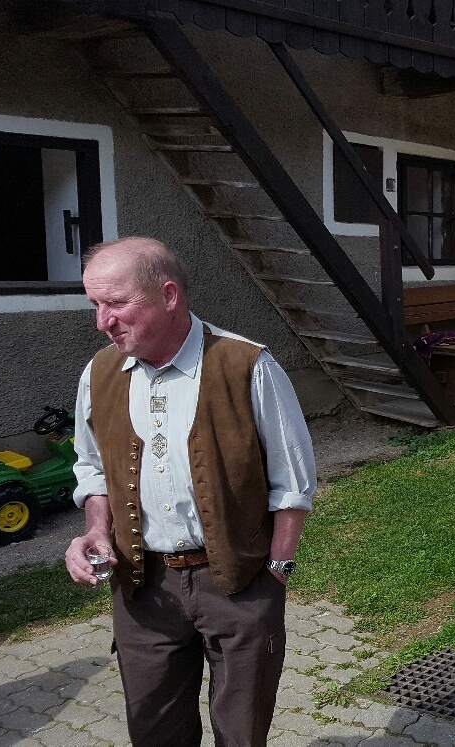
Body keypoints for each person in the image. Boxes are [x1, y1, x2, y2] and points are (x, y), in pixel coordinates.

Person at [63, 237, 316, 746]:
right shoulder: (98, 373)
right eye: (95, 304)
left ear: (169, 295)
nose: (102, 321)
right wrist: (95, 530)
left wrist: (275, 575)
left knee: (241, 733)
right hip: (143, 589)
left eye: (116, 303)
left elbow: (292, 483)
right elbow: (92, 468)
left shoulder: (247, 365)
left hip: (239, 584)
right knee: (155, 732)